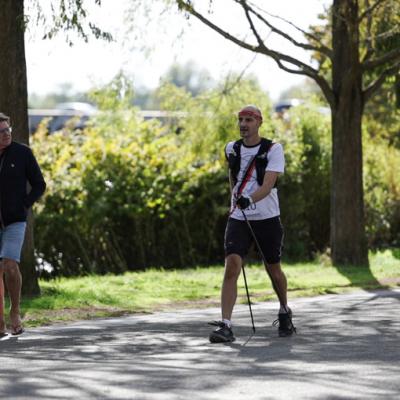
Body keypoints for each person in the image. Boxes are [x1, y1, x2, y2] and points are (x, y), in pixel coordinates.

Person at [209, 105, 294, 343]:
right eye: (241, 120)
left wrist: (249, 199)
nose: (243, 124)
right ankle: (226, 325)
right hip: (239, 218)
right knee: (232, 266)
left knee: (273, 269)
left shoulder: (273, 149)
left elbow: (268, 185)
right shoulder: (232, 149)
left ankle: (284, 310)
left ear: (259, 122)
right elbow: (233, 177)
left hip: (267, 217)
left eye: (249, 120)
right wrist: (234, 200)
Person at [0, 112, 46, 337]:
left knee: (10, 265)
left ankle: (15, 312)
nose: (6, 134)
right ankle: (0, 322)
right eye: (1, 131)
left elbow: (39, 184)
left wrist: (24, 205)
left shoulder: (22, 153)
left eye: (8, 129)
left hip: (15, 220)